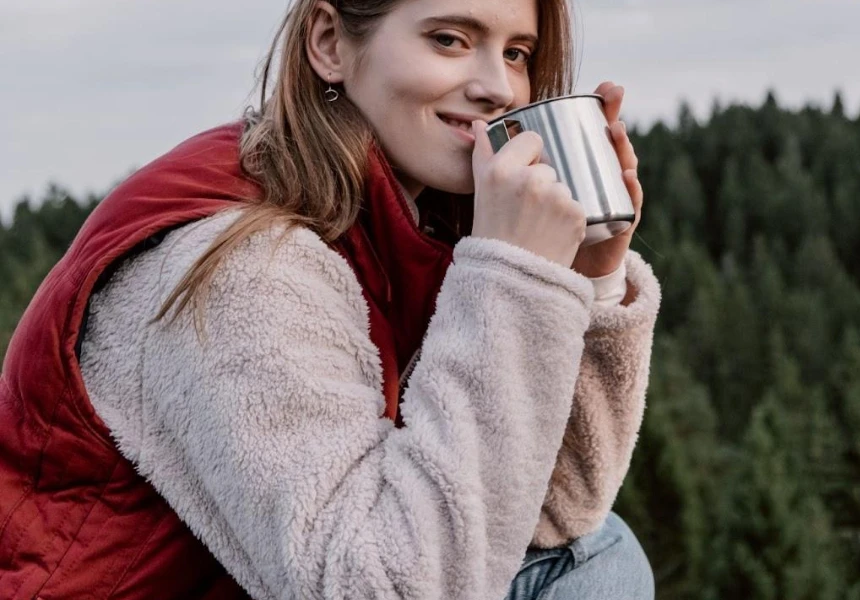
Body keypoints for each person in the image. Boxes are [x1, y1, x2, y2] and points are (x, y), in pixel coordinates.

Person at [0, 0, 661, 598]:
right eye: (451, 39)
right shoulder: (247, 265)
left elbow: (552, 513)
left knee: (594, 553)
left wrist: (589, 279)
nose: (497, 86)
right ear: (328, 42)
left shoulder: (402, 226)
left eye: (516, 52)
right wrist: (514, 280)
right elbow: (382, 589)